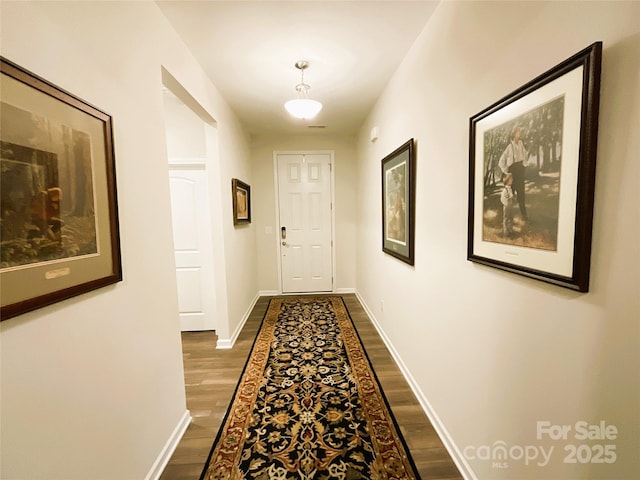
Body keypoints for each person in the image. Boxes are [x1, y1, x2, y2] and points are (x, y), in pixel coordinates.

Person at [498, 125, 529, 221]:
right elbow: (501, 160)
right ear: (514, 133)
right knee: (509, 196)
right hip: (513, 173)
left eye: (520, 131)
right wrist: (506, 171)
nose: (520, 133)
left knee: (521, 195)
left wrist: (524, 164)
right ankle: (505, 216)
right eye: (518, 131)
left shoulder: (521, 144)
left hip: (520, 172)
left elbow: (525, 155)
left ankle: (524, 217)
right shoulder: (509, 147)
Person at [500, 172, 514, 238]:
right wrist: (506, 203)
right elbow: (502, 198)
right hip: (506, 206)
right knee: (506, 218)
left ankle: (510, 230)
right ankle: (505, 232)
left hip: (510, 205)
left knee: (511, 217)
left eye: (512, 179)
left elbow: (511, 196)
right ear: (507, 180)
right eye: (511, 179)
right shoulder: (505, 190)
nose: (512, 180)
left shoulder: (510, 188)